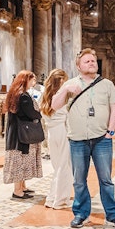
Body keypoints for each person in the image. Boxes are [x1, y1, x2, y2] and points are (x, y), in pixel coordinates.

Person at [50, 48, 115, 229]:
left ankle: (113, 214)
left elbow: (114, 108)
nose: (92, 63)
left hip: (102, 139)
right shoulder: (70, 84)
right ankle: (80, 214)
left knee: (106, 180)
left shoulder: (107, 84)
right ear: (78, 66)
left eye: (93, 60)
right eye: (87, 61)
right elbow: (54, 105)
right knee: (79, 180)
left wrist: (110, 131)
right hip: (77, 140)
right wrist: (65, 90)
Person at [3, 71, 42, 200]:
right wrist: (39, 114)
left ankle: (23, 187)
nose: (34, 82)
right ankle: (17, 191)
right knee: (20, 161)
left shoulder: (17, 93)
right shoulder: (23, 96)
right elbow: (30, 113)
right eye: (32, 79)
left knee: (23, 160)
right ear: (25, 80)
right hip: (21, 134)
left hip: (17, 132)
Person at [40, 68, 74, 210]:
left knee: (57, 166)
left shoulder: (44, 95)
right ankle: (60, 201)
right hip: (62, 131)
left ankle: (52, 198)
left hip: (51, 132)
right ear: (60, 80)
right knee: (64, 166)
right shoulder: (61, 96)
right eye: (64, 80)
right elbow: (69, 114)